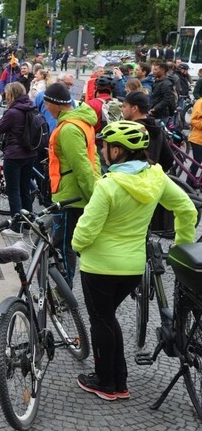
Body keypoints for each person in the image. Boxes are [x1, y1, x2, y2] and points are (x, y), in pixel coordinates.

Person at [73, 120, 197, 401]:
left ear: (117, 152)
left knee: (101, 320)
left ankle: (105, 382)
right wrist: (182, 246)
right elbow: (186, 209)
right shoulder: (156, 177)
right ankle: (119, 381)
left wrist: (76, 244)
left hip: (99, 266)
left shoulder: (108, 186)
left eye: (105, 146)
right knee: (107, 319)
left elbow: (87, 229)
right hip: (132, 267)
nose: (103, 151)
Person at [42, 82, 100, 285]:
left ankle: (65, 288)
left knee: (63, 243)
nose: (45, 107)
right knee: (65, 241)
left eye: (46, 103)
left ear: (56, 104)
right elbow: (94, 158)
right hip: (72, 192)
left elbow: (82, 166)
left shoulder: (68, 129)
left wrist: (95, 195)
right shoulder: (82, 122)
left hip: (70, 196)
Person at [0, 82, 37, 237]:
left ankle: (16, 228)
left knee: (13, 191)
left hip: (14, 155)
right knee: (24, 189)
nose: (5, 96)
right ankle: (28, 223)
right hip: (30, 154)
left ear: (11, 94)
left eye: (7, 94)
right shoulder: (30, 107)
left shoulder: (13, 112)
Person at [121, 91, 173, 171]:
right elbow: (168, 158)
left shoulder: (132, 131)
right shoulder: (156, 128)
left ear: (134, 108)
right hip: (152, 179)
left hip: (133, 180)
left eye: (124, 106)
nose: (122, 109)